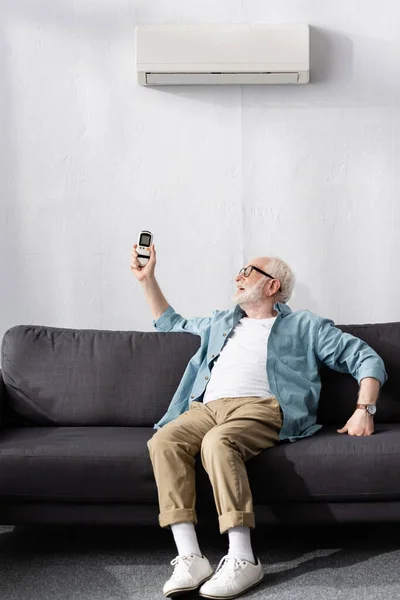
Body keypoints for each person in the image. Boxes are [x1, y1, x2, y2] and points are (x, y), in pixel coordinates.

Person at [130, 243, 387, 600]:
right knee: (163, 441)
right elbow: (171, 324)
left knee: (218, 442)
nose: (238, 276)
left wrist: (365, 409)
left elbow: (365, 357)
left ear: (272, 286)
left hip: (263, 406)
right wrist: (148, 279)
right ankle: (190, 556)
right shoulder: (220, 321)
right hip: (206, 407)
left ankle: (242, 557)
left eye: (248, 271)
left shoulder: (304, 325)